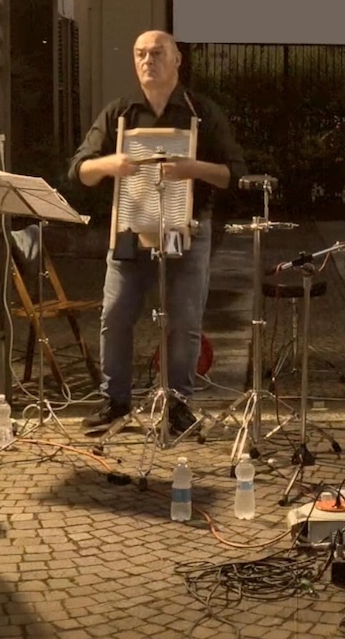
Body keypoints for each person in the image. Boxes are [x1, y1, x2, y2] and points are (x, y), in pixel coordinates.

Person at [67, 30, 248, 434]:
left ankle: (178, 405)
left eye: (157, 53)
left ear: (177, 59)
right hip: (132, 229)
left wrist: (192, 169)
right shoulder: (120, 113)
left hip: (184, 229)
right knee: (115, 315)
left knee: (184, 320)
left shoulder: (200, 112)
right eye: (140, 54)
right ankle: (115, 402)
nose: (148, 60)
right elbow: (79, 170)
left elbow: (235, 174)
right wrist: (111, 164)